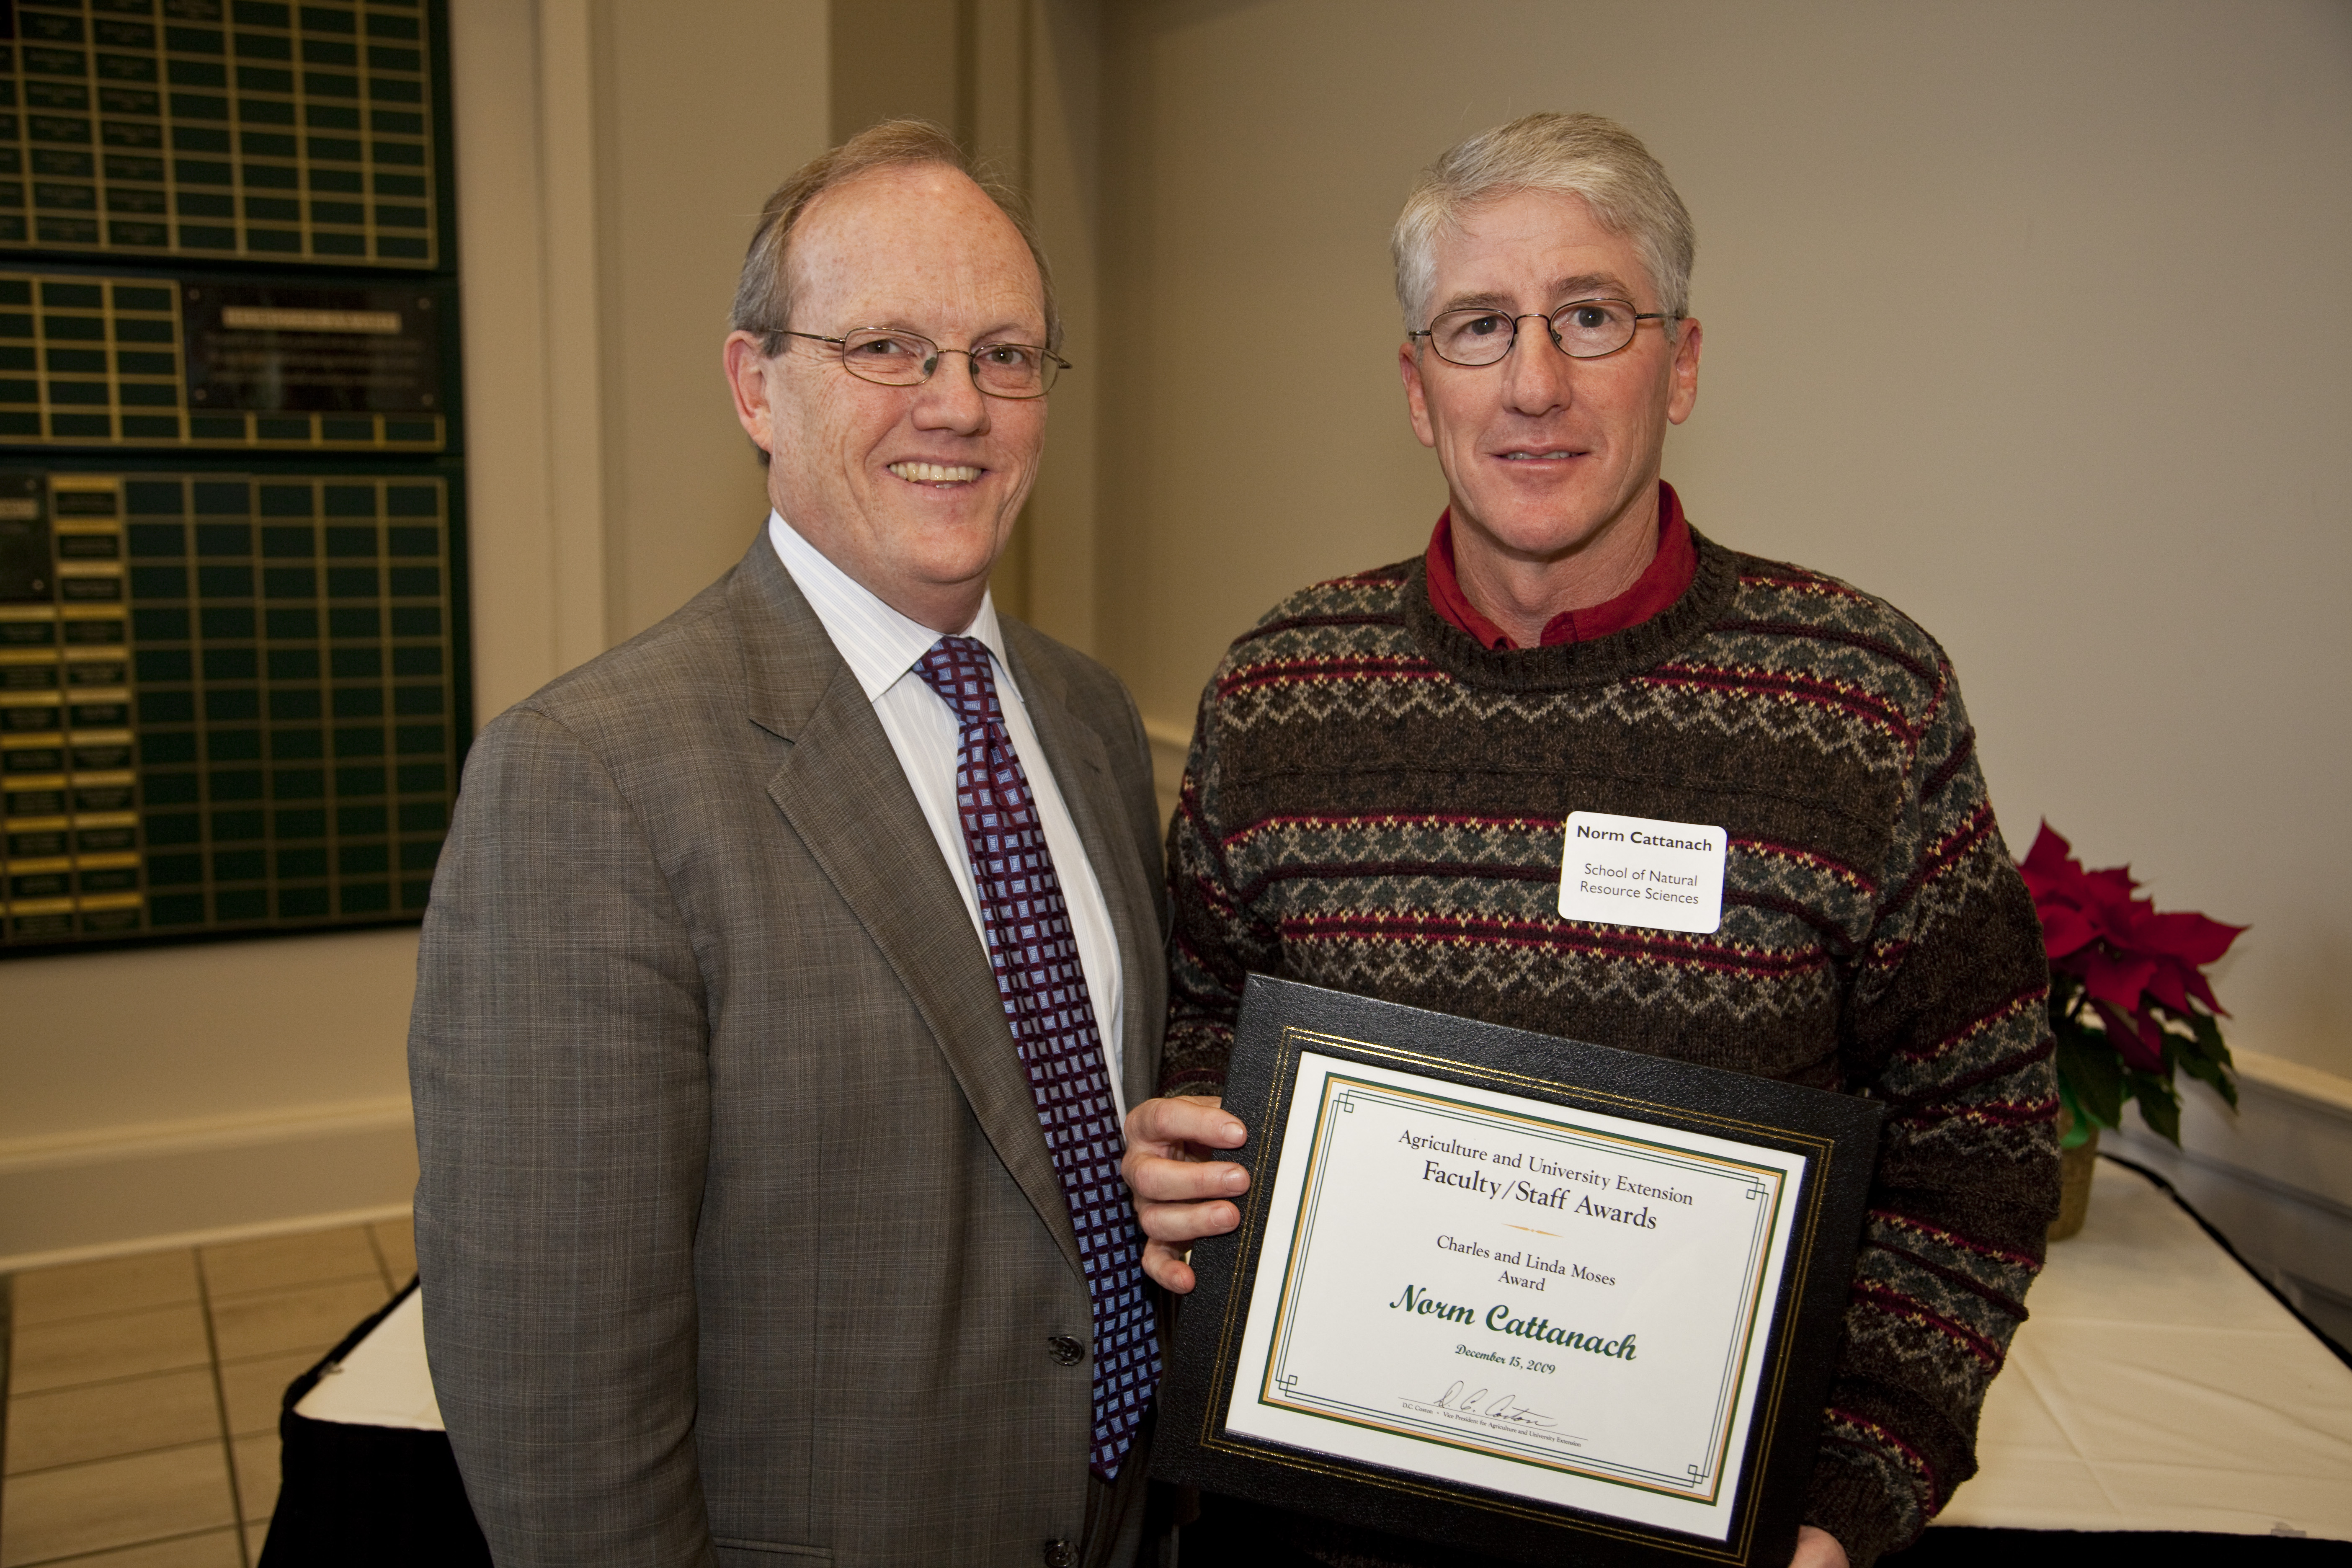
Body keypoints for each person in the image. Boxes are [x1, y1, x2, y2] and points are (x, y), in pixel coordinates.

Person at [1122, 113, 2059, 1568]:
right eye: (1480, 327)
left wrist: (1841, 1509)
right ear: (1418, 390)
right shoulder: (1281, 694)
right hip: (1314, 1534)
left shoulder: (1862, 701)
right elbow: (1206, 1034)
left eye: (1591, 317)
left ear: (1680, 364)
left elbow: (1981, 1151)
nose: (1535, 385)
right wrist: (1190, 1150)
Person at [410, 121, 1165, 1567]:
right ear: (757, 385)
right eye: (888, 347)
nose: (958, 405)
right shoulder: (588, 782)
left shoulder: (1088, 721)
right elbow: (554, 1403)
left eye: (1005, 355)